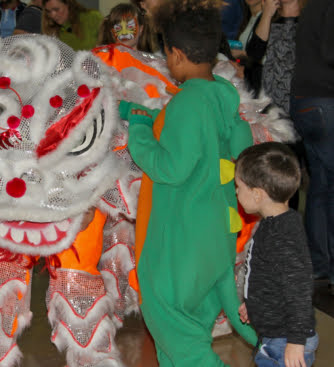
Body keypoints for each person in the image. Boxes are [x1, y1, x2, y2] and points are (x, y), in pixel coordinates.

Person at [119, 0, 257, 365]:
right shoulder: (224, 96)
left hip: (180, 245)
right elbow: (240, 151)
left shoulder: (186, 104)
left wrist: (140, 131)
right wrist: (158, 119)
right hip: (216, 242)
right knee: (185, 338)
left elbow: (170, 168)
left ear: (177, 54)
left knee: (179, 336)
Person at [236, 142, 318, 367]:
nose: (236, 191)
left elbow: (298, 289)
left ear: (257, 194)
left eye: (238, 186)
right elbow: (269, 276)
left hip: (285, 341)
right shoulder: (274, 224)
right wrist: (254, 304)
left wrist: (296, 340)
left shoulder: (283, 235)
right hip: (276, 336)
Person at [290, 0, 334, 294]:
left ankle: (319, 264)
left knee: (320, 186)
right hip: (325, 99)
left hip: (304, 103)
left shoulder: (314, 5)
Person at [246, 0, 302, 113]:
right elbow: (254, 55)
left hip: (299, 97)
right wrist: (267, 15)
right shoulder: (268, 17)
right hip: (269, 98)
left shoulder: (310, 18)